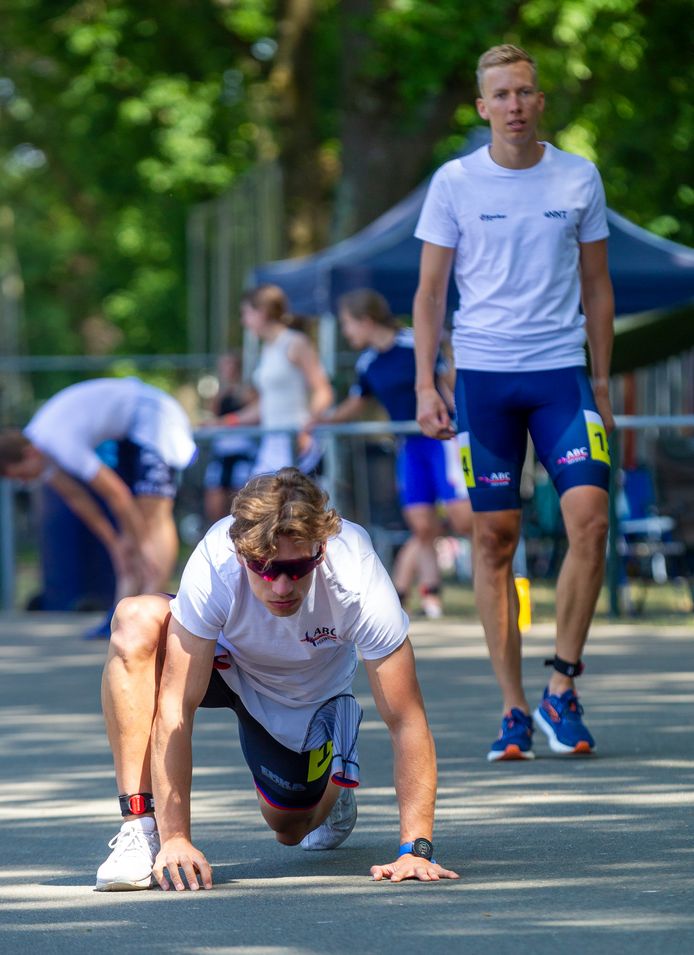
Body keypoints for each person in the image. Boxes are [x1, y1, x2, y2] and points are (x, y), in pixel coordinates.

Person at [95, 467, 459, 891]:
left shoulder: (357, 577)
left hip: (297, 693)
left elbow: (407, 718)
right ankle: (139, 830)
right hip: (222, 659)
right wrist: (175, 837)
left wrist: (415, 851)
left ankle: (336, 790)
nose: (281, 585)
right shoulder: (216, 560)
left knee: (289, 827)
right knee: (134, 620)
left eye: (297, 567)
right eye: (264, 568)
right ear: (240, 552)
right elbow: (176, 706)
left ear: (320, 551)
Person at [413, 44, 614, 761]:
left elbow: (597, 286)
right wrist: (425, 382)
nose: (516, 105)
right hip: (485, 381)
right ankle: (513, 708)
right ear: (482, 107)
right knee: (494, 538)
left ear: (540, 101)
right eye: (501, 94)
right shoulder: (455, 182)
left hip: (561, 374)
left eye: (525, 92)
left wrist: (602, 382)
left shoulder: (579, 176)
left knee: (590, 518)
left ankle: (562, 683)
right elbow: (431, 292)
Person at [314, 288, 472, 618]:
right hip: (410, 446)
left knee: (463, 520)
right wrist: (320, 421)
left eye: (348, 324)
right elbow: (357, 403)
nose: (346, 332)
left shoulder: (415, 343)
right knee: (422, 525)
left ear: (367, 320)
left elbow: (449, 381)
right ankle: (429, 597)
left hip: (443, 439)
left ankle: (490, 585)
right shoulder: (368, 362)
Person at [0, 377, 197, 634]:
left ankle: (154, 608)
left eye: (21, 476)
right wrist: (115, 545)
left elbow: (117, 494)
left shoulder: (60, 443)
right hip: (130, 429)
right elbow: (78, 500)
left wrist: (142, 547)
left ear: (28, 455)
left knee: (152, 518)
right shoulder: (41, 449)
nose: (26, 482)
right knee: (130, 535)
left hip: (155, 419)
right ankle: (122, 614)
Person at [223, 285, 334, 476]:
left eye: (247, 313)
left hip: (296, 444)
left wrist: (306, 429)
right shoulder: (268, 348)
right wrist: (228, 421)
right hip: (272, 444)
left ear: (263, 312)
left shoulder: (295, 343)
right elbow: (266, 404)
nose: (244, 321)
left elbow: (323, 391)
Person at [202, 351, 257, 525]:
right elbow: (214, 413)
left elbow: (254, 416)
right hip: (222, 451)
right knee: (215, 498)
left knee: (240, 497)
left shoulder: (248, 391)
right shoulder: (221, 392)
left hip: (242, 450)